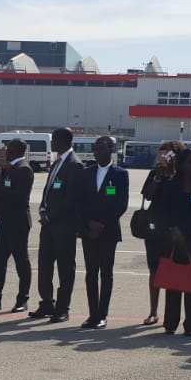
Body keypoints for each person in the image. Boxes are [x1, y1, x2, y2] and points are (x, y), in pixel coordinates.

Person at [150, 148, 191, 335]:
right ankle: (170, 323)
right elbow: (163, 209)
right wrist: (173, 229)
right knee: (173, 280)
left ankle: (190, 324)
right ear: (182, 164)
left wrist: (184, 232)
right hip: (171, 237)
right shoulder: (170, 184)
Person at [31, 127, 82, 322]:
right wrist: (43, 210)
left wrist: (50, 216)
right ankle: (46, 303)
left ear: (64, 141)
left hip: (64, 226)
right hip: (48, 225)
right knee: (44, 265)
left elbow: (71, 199)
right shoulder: (57, 163)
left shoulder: (74, 165)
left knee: (65, 267)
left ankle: (62, 308)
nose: (51, 143)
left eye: (54, 140)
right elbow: (48, 191)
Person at [78, 136, 128, 329]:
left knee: (106, 273)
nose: (97, 152)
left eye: (101, 148)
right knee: (91, 272)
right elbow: (80, 202)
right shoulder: (86, 173)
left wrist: (103, 224)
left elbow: (121, 203)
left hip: (108, 231)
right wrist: (89, 223)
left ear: (111, 150)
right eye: (95, 148)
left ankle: (102, 314)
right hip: (89, 230)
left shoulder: (120, 174)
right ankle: (92, 314)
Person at [0, 139, 34, 312]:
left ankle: (22, 300)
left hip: (18, 224)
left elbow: (20, 196)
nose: (6, 151)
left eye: (9, 148)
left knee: (21, 263)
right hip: (4, 223)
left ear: (17, 150)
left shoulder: (24, 169)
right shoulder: (9, 168)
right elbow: (6, 193)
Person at [140, 140, 187, 326]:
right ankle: (153, 311)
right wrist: (158, 178)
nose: (162, 157)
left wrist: (173, 173)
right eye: (160, 153)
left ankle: (171, 314)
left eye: (166, 153)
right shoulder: (155, 173)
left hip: (175, 230)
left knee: (172, 271)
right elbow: (148, 195)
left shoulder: (182, 176)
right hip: (154, 229)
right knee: (154, 270)